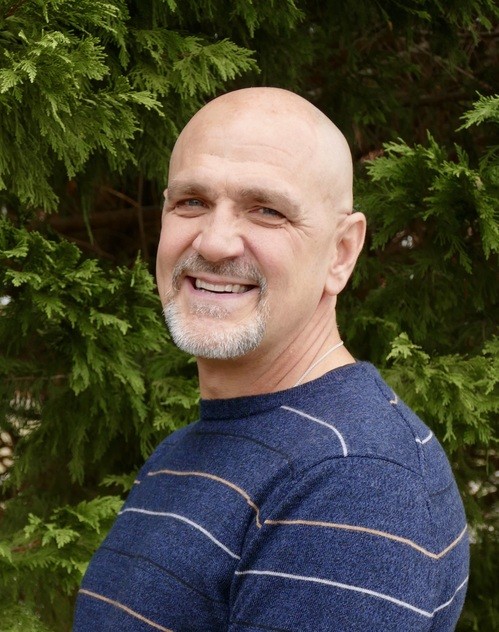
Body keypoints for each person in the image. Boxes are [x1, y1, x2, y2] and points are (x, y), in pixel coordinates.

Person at [73, 88, 469, 631]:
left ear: (341, 253)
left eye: (267, 210)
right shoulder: (188, 450)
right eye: (192, 201)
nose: (214, 243)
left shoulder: (356, 481)